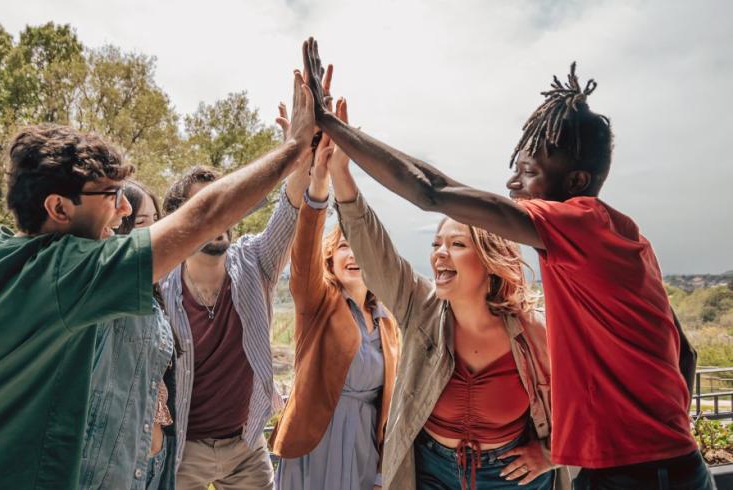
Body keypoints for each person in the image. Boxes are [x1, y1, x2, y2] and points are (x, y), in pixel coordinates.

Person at [0, 68, 317, 489]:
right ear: (59, 208)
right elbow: (204, 216)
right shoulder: (66, 272)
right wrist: (295, 148)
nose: (125, 210)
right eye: (112, 195)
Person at [302, 38, 711, 489]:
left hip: (640, 474)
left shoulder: (580, 224)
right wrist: (668, 436)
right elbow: (684, 351)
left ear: (576, 181)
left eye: (529, 172)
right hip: (644, 467)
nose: (513, 184)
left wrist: (332, 125)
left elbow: (432, 191)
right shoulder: (624, 240)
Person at [323, 100, 558, 490]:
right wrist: (340, 173)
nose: (439, 254)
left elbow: (587, 402)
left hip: (510, 478)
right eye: (436, 245)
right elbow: (375, 251)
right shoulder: (420, 306)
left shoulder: (533, 333)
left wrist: (550, 454)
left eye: (457, 245)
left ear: (489, 262)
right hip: (433, 472)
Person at [159, 72, 334, 490]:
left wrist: (302, 150)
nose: (218, 217)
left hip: (246, 445)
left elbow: (291, 206)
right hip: (184, 450)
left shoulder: (256, 261)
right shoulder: (158, 287)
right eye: (204, 207)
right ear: (180, 221)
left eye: (224, 204)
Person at [269, 132, 400, 490]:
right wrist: (319, 182)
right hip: (315, 443)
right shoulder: (317, 302)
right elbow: (304, 250)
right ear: (330, 258)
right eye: (344, 246)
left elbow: (390, 403)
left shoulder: (388, 323)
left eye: (360, 246)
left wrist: (382, 469)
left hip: (363, 447)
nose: (353, 254)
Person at [78, 180, 179, 490]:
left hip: (156, 460)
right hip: (114, 469)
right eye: (143, 222)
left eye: (157, 220)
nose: (156, 231)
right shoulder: (106, 294)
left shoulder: (153, 298)